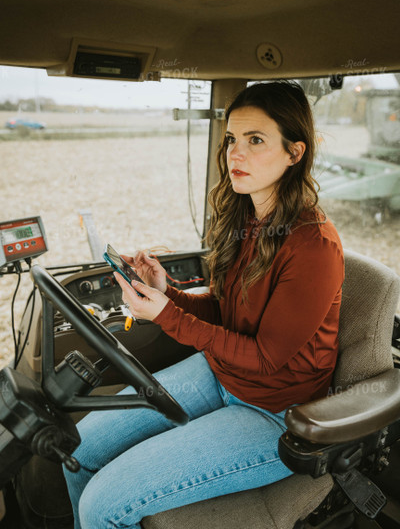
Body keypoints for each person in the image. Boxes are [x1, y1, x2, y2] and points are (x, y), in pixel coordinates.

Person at [64, 81, 344, 528]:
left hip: (275, 412)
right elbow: (227, 314)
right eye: (232, 139)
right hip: (220, 374)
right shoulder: (248, 220)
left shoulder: (314, 245)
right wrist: (167, 291)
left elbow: (266, 357)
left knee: (101, 507)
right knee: (76, 446)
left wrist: (166, 314)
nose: (236, 154)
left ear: (295, 153)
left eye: (256, 141)